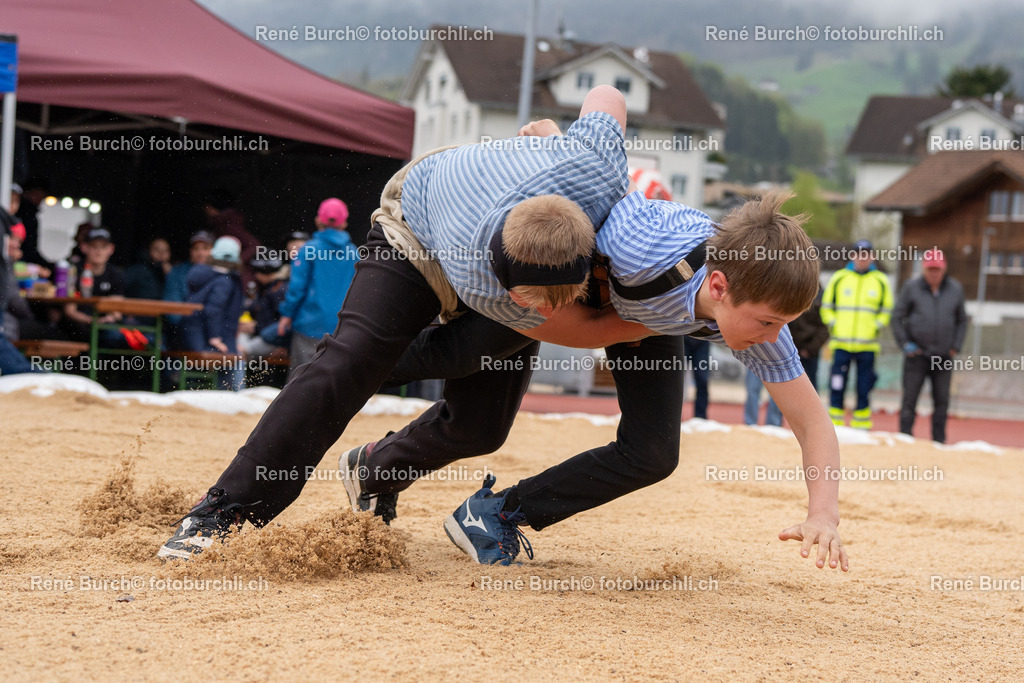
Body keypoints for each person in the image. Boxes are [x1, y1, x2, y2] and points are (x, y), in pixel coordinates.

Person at [158, 85, 640, 560]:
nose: (544, 313)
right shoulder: (477, 275)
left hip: (518, 230)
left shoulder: (597, 166)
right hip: (418, 226)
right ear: (502, 283)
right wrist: (642, 322)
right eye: (531, 305)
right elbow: (577, 332)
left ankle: (375, 469)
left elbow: (606, 93)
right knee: (356, 361)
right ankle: (226, 509)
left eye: (563, 296)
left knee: (482, 427)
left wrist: (561, 143)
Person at [891, 249, 967, 443]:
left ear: (944, 269)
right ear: (924, 269)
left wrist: (955, 346)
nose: (934, 273)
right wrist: (905, 343)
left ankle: (939, 442)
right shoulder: (911, 288)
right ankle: (905, 439)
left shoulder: (955, 289)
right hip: (916, 356)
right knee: (909, 401)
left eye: (937, 269)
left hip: (943, 357)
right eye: (930, 269)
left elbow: (962, 321)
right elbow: (897, 317)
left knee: (942, 402)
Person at [275, 199, 360, 372]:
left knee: (300, 381)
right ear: (344, 223)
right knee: (333, 379)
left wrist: (287, 315)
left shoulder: (308, 250)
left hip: (308, 325)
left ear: (318, 221)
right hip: (341, 329)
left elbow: (297, 288)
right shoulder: (355, 253)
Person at [820, 239, 893, 429]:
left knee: (864, 385)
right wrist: (833, 323)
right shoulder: (839, 278)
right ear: (853, 256)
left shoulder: (881, 281)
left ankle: (861, 423)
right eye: (860, 253)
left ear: (872, 256)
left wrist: (877, 325)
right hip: (841, 344)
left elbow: (887, 309)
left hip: (867, 345)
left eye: (867, 254)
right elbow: (826, 306)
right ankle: (834, 422)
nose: (863, 257)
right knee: (837, 384)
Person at [179, 236, 245, 390]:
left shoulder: (211, 276)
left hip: (199, 334)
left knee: (234, 355)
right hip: (206, 337)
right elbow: (213, 310)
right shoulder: (225, 280)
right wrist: (215, 338)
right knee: (235, 360)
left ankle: (228, 395)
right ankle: (235, 397)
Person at [60, 228, 130, 347]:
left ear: (111, 249)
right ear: (84, 247)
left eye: (103, 247)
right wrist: (92, 321)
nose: (99, 251)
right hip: (77, 325)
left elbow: (116, 311)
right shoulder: (73, 271)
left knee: (117, 336)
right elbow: (69, 311)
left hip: (106, 326)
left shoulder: (115, 274)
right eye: (94, 246)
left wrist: (108, 318)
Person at [239, 257, 289, 360]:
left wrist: (284, 346)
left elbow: (285, 322)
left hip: (273, 340)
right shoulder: (267, 288)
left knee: (239, 352)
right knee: (239, 338)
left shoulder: (279, 290)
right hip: (262, 335)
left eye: (258, 272)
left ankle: (235, 376)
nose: (256, 276)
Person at [788, 285, 829, 393]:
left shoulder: (821, 297)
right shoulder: (789, 290)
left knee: (809, 387)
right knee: (787, 389)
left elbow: (825, 329)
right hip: (789, 350)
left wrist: (809, 349)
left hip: (808, 352)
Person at [683, 336, 710, 419]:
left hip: (702, 338)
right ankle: (672, 416)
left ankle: (700, 417)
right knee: (675, 379)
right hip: (682, 336)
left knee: (702, 379)